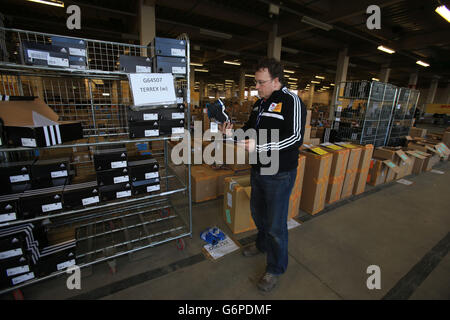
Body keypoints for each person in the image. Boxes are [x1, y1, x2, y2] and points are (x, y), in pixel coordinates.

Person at [220, 58, 306, 292]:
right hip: (258, 168)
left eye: (261, 82)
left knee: (276, 224)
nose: (256, 87)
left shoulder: (292, 102)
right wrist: (231, 134)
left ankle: (275, 268)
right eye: (255, 82)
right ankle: (261, 244)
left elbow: (295, 138)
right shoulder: (260, 103)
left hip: (279, 172)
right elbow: (250, 129)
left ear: (276, 81)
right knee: (258, 213)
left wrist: (261, 147)